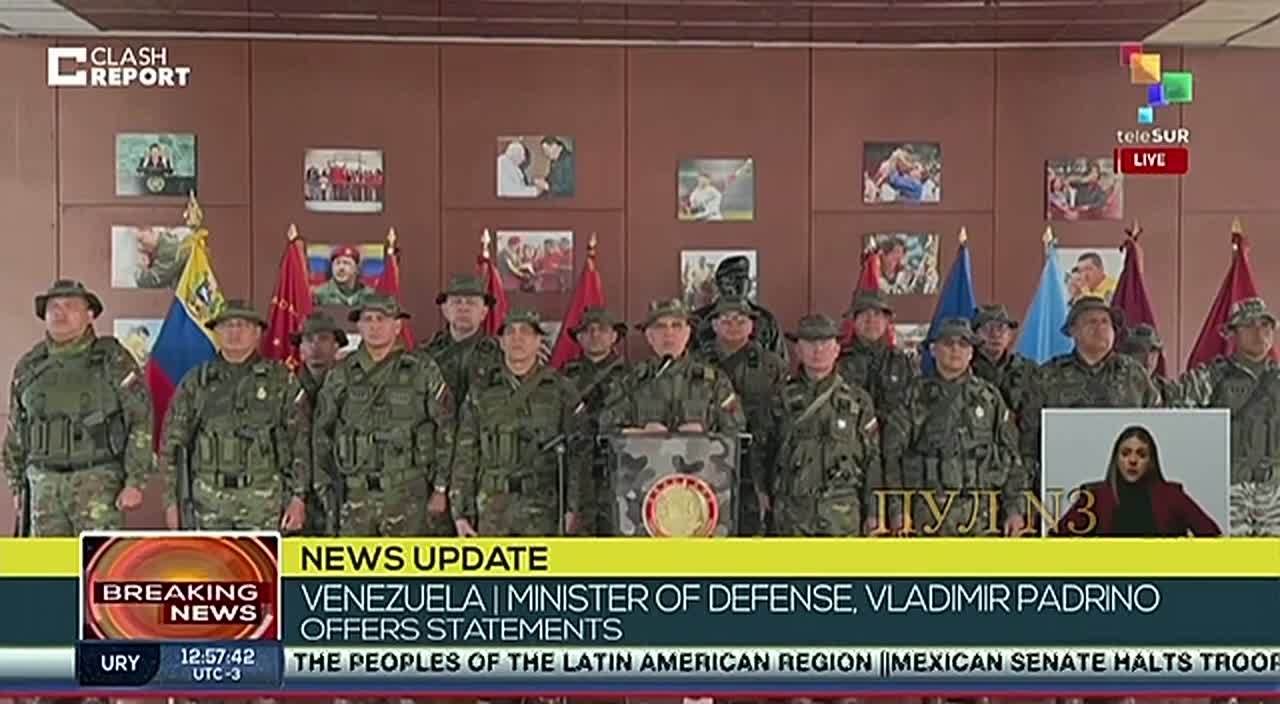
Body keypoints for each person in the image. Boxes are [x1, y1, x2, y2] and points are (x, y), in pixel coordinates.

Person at [4, 280, 153, 536]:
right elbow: (16, 430)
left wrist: (136, 481)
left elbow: (140, 419)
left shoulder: (113, 359)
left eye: (71, 306)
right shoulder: (29, 366)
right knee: (49, 562)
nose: (60, 313)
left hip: (97, 483)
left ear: (90, 314)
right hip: (43, 486)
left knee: (97, 558)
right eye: (54, 307)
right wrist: (17, 484)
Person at [312, 296, 454, 536]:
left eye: (382, 319)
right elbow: (321, 432)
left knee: (405, 561)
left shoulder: (421, 369)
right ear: (359, 326)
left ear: (397, 326)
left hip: (408, 495)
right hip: (355, 495)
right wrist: (325, 488)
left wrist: (441, 487)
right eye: (368, 319)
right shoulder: (341, 373)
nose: (374, 326)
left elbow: (447, 428)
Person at [160, 300, 307, 532]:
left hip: (263, 501)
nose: (234, 332)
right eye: (227, 326)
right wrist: (171, 502)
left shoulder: (280, 380)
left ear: (257, 332)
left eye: (242, 325)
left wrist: (298, 498)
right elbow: (172, 445)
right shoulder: (197, 381)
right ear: (216, 332)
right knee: (210, 558)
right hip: (207, 501)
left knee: (260, 557)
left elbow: (300, 442)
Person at [450, 309, 589, 536]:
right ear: (501, 342)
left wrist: (573, 508)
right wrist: (460, 513)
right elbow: (466, 452)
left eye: (525, 332)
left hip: (543, 509)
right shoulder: (482, 390)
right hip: (493, 509)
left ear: (538, 341)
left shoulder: (561, 389)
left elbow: (579, 453)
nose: (517, 338)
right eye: (510, 332)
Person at [883, 318, 1025, 537]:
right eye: (948, 343)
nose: (956, 350)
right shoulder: (914, 396)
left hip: (981, 520)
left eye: (963, 344)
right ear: (933, 350)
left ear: (972, 353)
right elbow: (892, 456)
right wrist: (897, 509)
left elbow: (1011, 456)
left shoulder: (989, 398)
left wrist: (1014, 510)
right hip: (927, 519)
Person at [1020, 296, 1158, 502]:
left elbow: (1156, 428)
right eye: (1091, 322)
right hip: (1062, 490)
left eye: (1105, 322)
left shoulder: (1134, 375)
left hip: (1126, 488)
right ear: (1073, 330)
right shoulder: (1047, 376)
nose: (1100, 328)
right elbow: (1028, 441)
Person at [770, 314, 883, 537]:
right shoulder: (779, 398)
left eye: (825, 343)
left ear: (836, 350)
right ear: (798, 350)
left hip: (841, 515)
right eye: (810, 343)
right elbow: (762, 451)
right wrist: (764, 497)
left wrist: (874, 511)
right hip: (792, 515)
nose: (818, 350)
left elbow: (872, 459)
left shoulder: (858, 400)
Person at [1175, 297, 1280, 536]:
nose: (1259, 333)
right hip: (1228, 489)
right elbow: (1177, 418)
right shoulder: (1211, 376)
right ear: (1232, 333)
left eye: (1265, 325)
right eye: (1249, 325)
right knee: (1230, 557)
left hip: (1275, 491)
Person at [697, 296, 788, 535]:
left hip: (757, 463)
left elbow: (784, 419)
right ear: (714, 325)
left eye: (740, 320)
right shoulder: (697, 363)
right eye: (726, 320)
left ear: (751, 325)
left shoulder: (772, 366)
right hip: (708, 462)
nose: (733, 326)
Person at [600, 298, 745, 436]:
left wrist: (704, 435)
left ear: (688, 333)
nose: (669, 333)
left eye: (676, 325)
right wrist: (642, 434)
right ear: (649, 336)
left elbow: (736, 429)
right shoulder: (630, 381)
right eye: (660, 326)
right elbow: (607, 429)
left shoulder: (714, 381)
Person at [1056, 425, 1221, 537]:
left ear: (1151, 462)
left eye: (1141, 454)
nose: (1133, 460)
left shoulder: (1172, 496)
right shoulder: (1095, 497)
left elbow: (1213, 536)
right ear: (1116, 459)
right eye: (1125, 453)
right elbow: (1056, 540)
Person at [561, 307, 630, 535]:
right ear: (579, 338)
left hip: (617, 470)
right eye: (588, 330)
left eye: (602, 329)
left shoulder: (631, 376)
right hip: (576, 474)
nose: (595, 335)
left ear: (614, 336)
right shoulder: (565, 376)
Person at [292, 312, 349, 535]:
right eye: (309, 340)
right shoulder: (284, 388)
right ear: (300, 348)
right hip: (298, 494)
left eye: (324, 339)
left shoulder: (352, 386)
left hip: (342, 490)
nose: (316, 346)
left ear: (336, 345)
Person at [690, 255, 788, 364]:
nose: (735, 287)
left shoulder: (766, 320)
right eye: (729, 281)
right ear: (718, 285)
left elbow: (781, 364)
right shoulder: (698, 319)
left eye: (741, 280)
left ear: (749, 284)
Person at [838, 291, 916, 424]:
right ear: (854, 321)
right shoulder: (838, 361)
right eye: (864, 314)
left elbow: (913, 408)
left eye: (877, 314)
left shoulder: (902, 362)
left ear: (886, 321)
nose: (871, 321)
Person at [970, 304, 1038, 428]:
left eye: (1001, 328)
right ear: (975, 335)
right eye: (988, 329)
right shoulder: (964, 371)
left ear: (1010, 336)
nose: (995, 334)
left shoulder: (1029, 370)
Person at [1117, 324, 1178, 406]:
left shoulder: (1164, 389)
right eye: (1141, 352)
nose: (1148, 360)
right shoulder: (1115, 387)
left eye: (1153, 353)